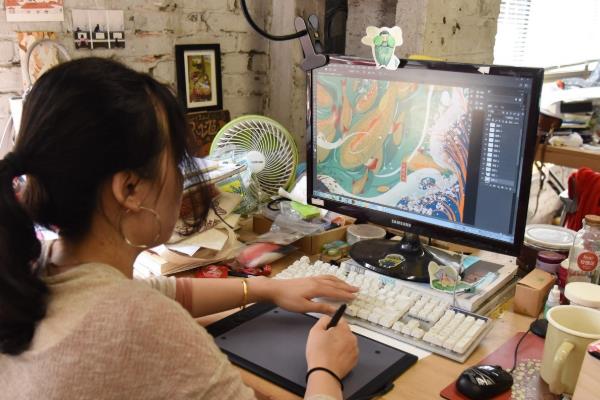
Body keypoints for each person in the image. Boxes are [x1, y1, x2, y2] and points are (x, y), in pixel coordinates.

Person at [0, 58, 359, 400]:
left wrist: (268, 289)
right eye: (176, 162)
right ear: (129, 189)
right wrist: (325, 370)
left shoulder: (35, 269)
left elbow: (163, 292)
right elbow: (147, 310)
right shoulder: (141, 323)